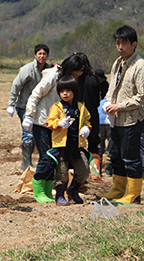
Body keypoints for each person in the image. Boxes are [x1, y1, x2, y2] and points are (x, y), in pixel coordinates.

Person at [23, 53, 93, 200]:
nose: (75, 79)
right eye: (74, 74)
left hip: (59, 126)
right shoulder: (53, 77)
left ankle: (48, 190)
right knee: (46, 157)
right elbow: (35, 94)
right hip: (42, 122)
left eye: (77, 76)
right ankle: (39, 190)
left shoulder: (68, 82)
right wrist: (29, 115)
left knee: (54, 159)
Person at [99, 25, 144, 204]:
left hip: (131, 119)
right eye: (118, 43)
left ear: (133, 44)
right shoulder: (117, 62)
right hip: (116, 120)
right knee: (115, 156)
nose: (120, 46)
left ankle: (134, 194)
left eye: (124, 43)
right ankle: (118, 190)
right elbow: (112, 89)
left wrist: (119, 106)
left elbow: (143, 97)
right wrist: (107, 103)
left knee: (131, 157)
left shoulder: (140, 65)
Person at [34, 76, 91, 205]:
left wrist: (86, 128)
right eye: (62, 91)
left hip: (77, 145)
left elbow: (87, 120)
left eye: (68, 90)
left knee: (84, 171)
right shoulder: (56, 107)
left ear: (74, 92)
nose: (65, 93)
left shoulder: (81, 107)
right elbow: (49, 122)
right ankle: (59, 195)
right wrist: (59, 123)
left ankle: (73, 190)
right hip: (62, 145)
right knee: (62, 173)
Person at [6, 44, 51, 170]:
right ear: (35, 55)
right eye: (40, 53)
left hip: (39, 107)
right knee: (28, 133)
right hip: (24, 105)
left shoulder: (48, 70)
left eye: (44, 54)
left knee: (38, 133)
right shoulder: (27, 69)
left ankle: (34, 161)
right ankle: (26, 164)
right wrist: (11, 104)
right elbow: (16, 85)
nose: (42, 56)